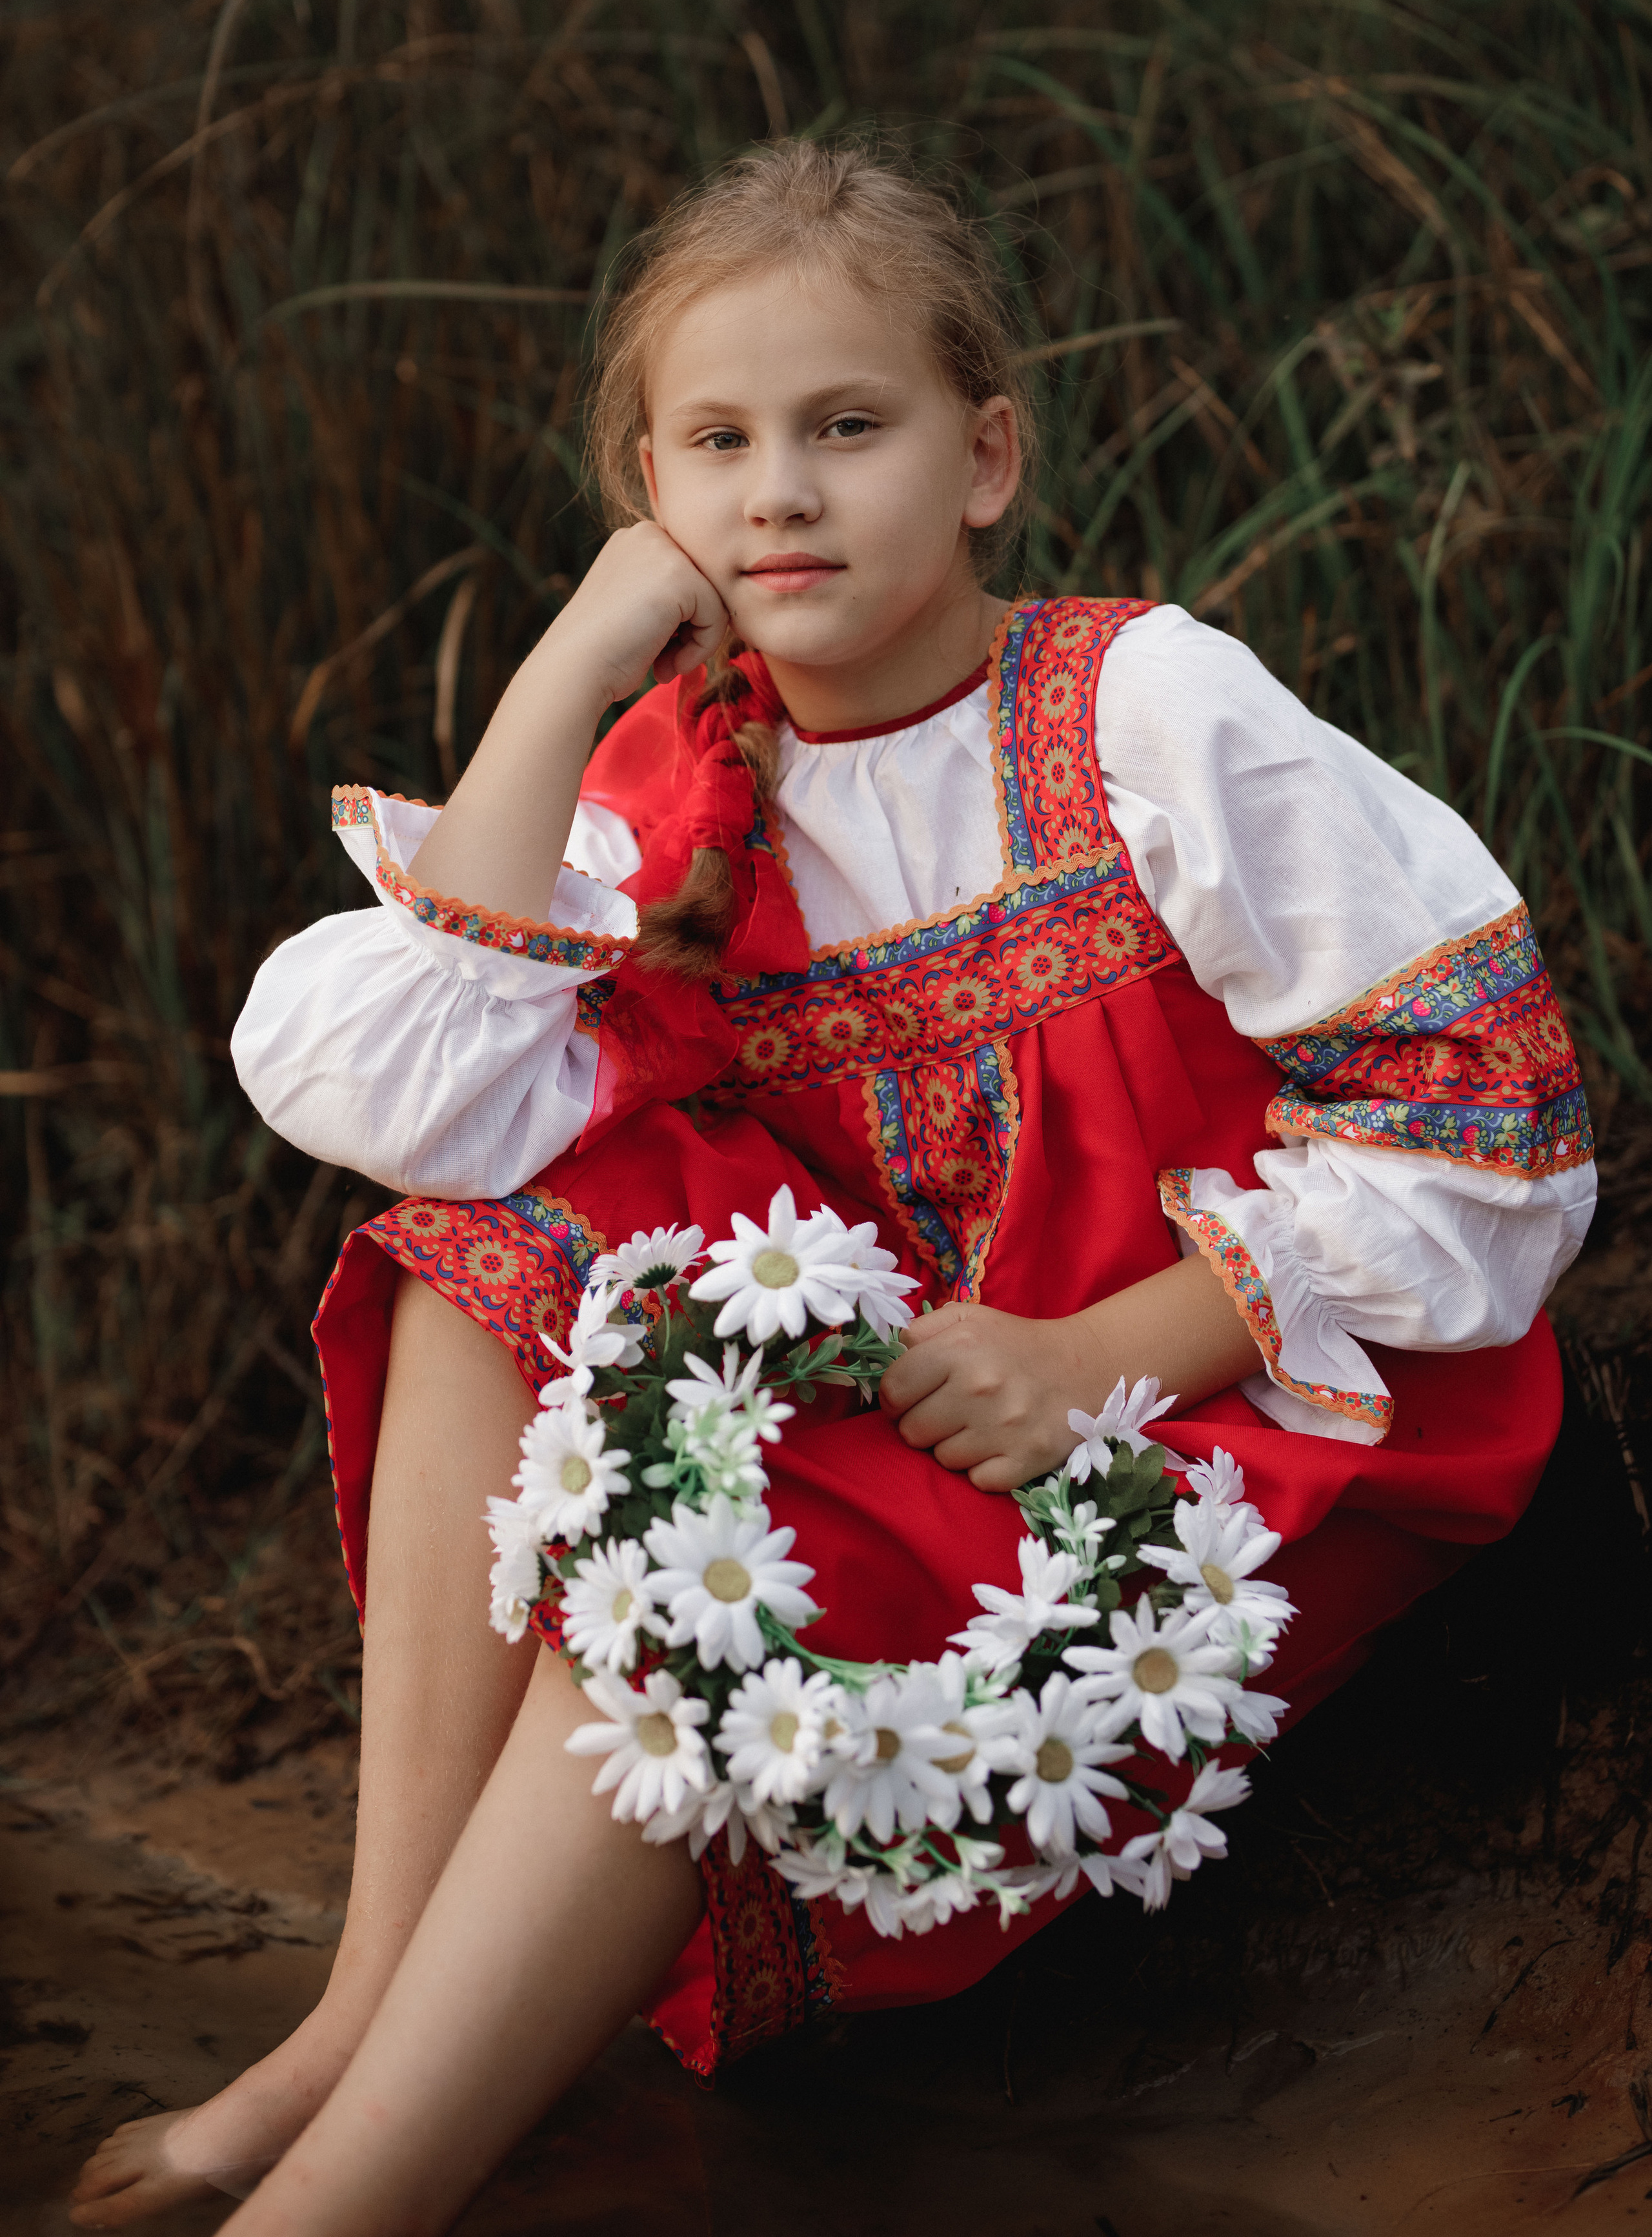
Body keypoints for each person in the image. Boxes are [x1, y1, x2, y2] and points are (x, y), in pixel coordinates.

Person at [70, 140, 1594, 2235]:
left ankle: (341, 2209)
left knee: (691, 1571)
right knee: (471, 1258)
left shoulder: (1134, 705)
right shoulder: (689, 773)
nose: (779, 491)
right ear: (651, 490)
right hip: (896, 1380)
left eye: (844, 428)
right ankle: (358, 2015)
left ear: (984, 459)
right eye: (718, 445)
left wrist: (1110, 1348)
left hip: (1200, 1400)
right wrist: (578, 659)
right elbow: (397, 1088)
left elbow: (1486, 1110)